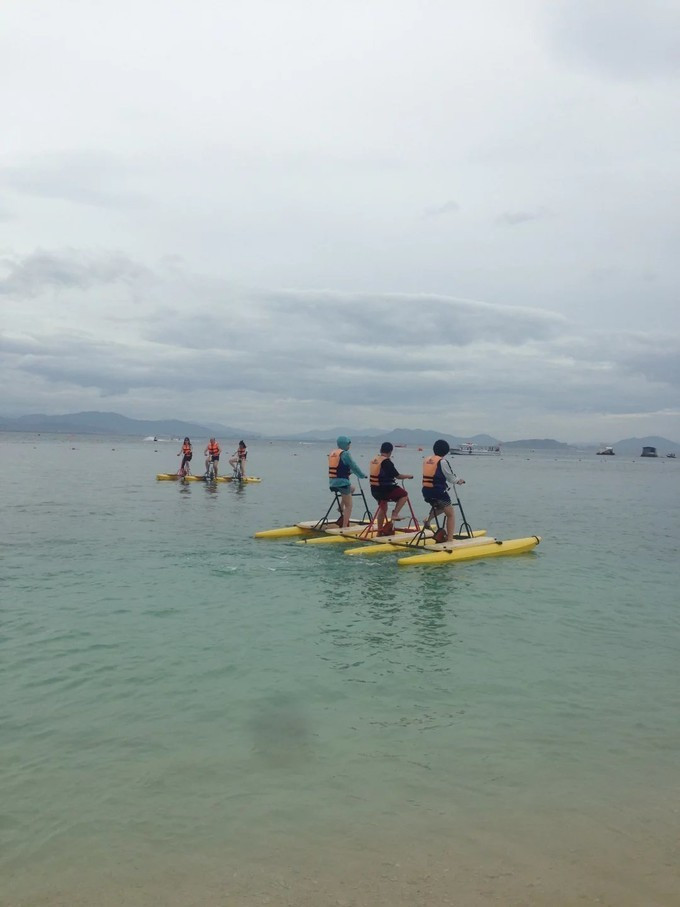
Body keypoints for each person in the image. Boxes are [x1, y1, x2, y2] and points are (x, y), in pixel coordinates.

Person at [421, 439, 465, 542]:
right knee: (450, 513)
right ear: (446, 451)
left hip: (426, 491)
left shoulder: (426, 459)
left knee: (441, 507)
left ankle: (428, 520)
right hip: (437, 492)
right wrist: (459, 481)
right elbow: (450, 478)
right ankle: (450, 539)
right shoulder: (443, 461)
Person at [369, 442, 413, 535]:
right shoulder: (386, 462)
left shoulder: (375, 459)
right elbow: (398, 476)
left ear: (381, 450)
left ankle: (379, 532)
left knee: (383, 507)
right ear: (390, 452)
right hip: (385, 490)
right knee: (404, 494)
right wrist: (409, 476)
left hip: (374, 490)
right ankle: (395, 514)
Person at [328, 436, 367, 528]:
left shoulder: (333, 453)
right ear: (344, 444)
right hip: (342, 483)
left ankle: (341, 506)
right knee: (349, 506)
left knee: (352, 488)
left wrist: (350, 472)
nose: (349, 446)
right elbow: (353, 465)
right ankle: (345, 526)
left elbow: (339, 467)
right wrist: (362, 475)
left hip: (333, 483)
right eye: (348, 444)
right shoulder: (345, 454)